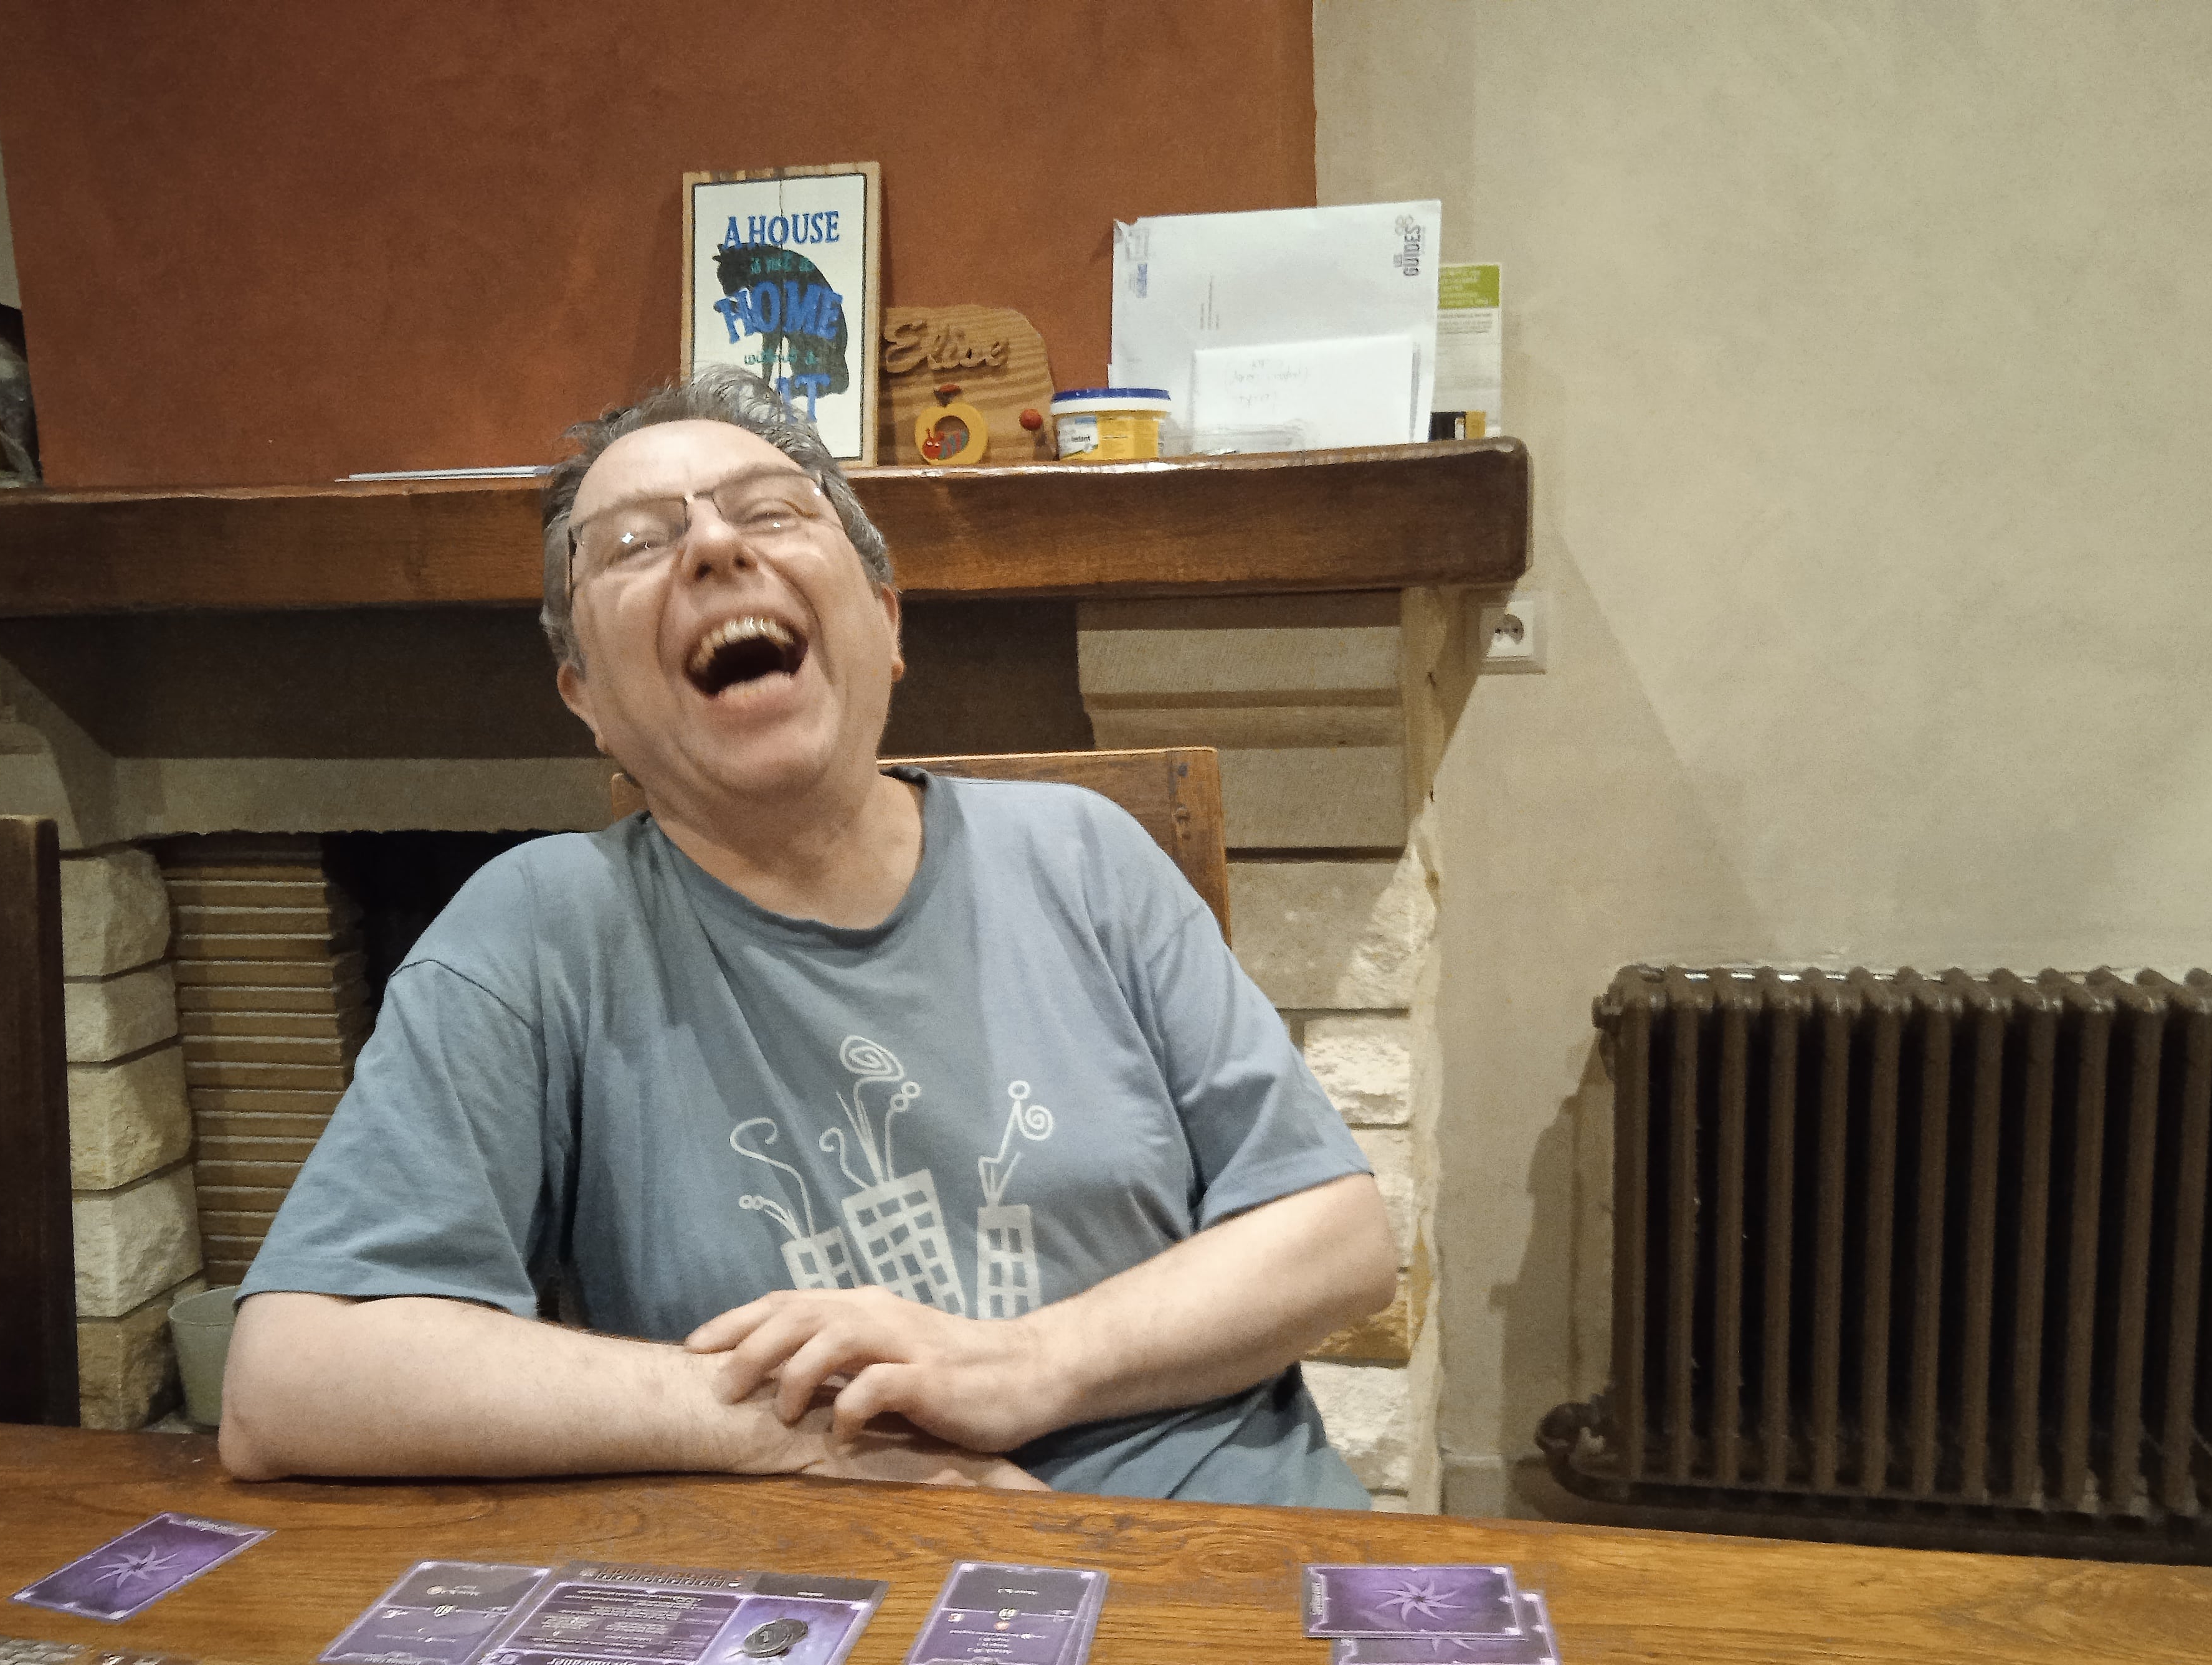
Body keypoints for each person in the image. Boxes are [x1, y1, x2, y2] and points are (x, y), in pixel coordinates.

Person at [218, 369, 1395, 1504]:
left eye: (771, 511)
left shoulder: (1085, 853)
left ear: (885, 620)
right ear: (587, 698)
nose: (712, 547)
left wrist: (1025, 1367)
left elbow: (1340, 1238)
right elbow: (289, 1383)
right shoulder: (536, 931)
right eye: (632, 543)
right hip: (839, 1591)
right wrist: (800, 1432)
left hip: (1225, 1547)